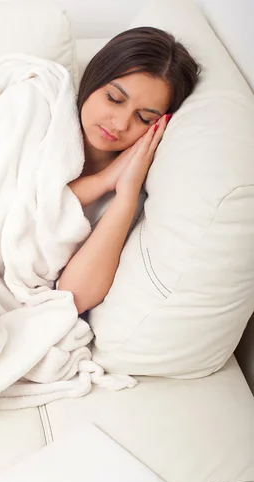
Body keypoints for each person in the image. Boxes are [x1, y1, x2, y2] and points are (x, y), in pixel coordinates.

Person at [57, 26, 201, 315]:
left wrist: (124, 195)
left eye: (144, 118)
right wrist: (103, 180)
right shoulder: (42, 116)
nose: (120, 124)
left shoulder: (134, 194)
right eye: (114, 98)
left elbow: (72, 299)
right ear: (95, 77)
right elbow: (17, 204)